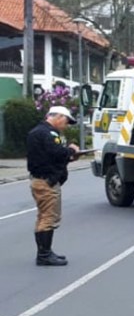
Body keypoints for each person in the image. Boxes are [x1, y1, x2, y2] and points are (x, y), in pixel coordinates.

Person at [27, 106, 80, 266]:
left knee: (43, 217)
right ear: (58, 117)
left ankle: (45, 252)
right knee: (48, 218)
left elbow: (49, 157)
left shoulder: (39, 132)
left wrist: (69, 157)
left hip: (42, 179)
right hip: (46, 181)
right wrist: (71, 150)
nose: (66, 125)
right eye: (66, 121)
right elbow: (56, 153)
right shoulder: (47, 133)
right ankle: (44, 255)